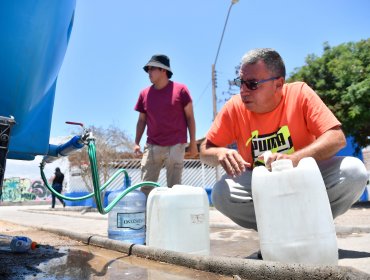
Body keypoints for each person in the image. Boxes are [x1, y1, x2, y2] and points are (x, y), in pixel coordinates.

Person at [200, 48, 368, 234]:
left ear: (278, 84)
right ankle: (277, 232)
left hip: (306, 176)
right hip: (261, 184)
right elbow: (205, 151)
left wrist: (293, 159)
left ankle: (314, 226)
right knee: (221, 194)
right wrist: (220, 153)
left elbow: (336, 138)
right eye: (241, 82)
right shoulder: (234, 107)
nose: (243, 91)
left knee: (354, 171)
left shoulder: (300, 93)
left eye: (252, 84)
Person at [134, 54, 197, 196]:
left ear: (163, 70)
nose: (149, 72)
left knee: (174, 190)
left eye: (152, 69)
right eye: (148, 69)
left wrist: (192, 143)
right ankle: (147, 217)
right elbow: (141, 120)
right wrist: (136, 142)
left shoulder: (181, 90)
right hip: (152, 146)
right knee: (145, 188)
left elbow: (190, 118)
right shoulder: (144, 94)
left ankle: (173, 217)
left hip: (176, 145)